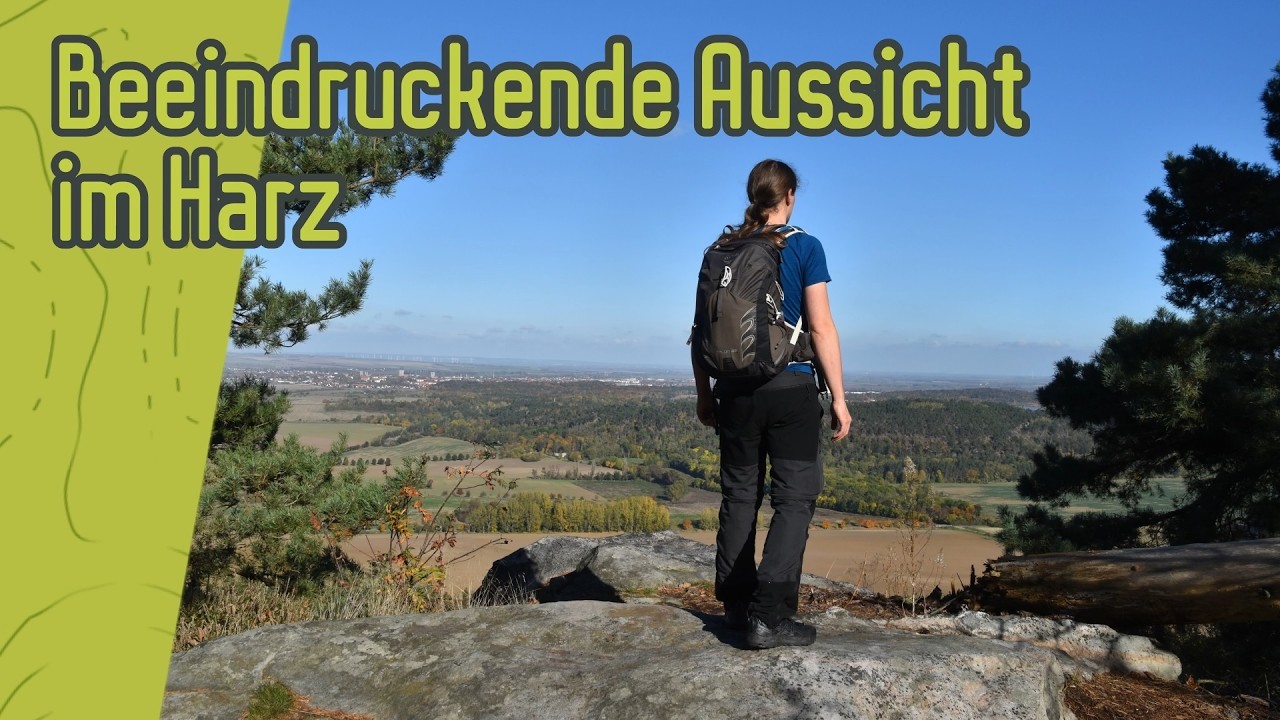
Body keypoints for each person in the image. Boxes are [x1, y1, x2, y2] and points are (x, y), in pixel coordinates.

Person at [692, 159, 851, 649]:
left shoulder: (720, 250)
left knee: (739, 497)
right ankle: (769, 615)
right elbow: (821, 328)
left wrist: (704, 394)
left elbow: (700, 334)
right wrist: (840, 400)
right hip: (791, 392)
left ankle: (738, 608)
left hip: (734, 395)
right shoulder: (804, 244)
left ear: (752, 196)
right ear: (790, 196)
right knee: (795, 499)